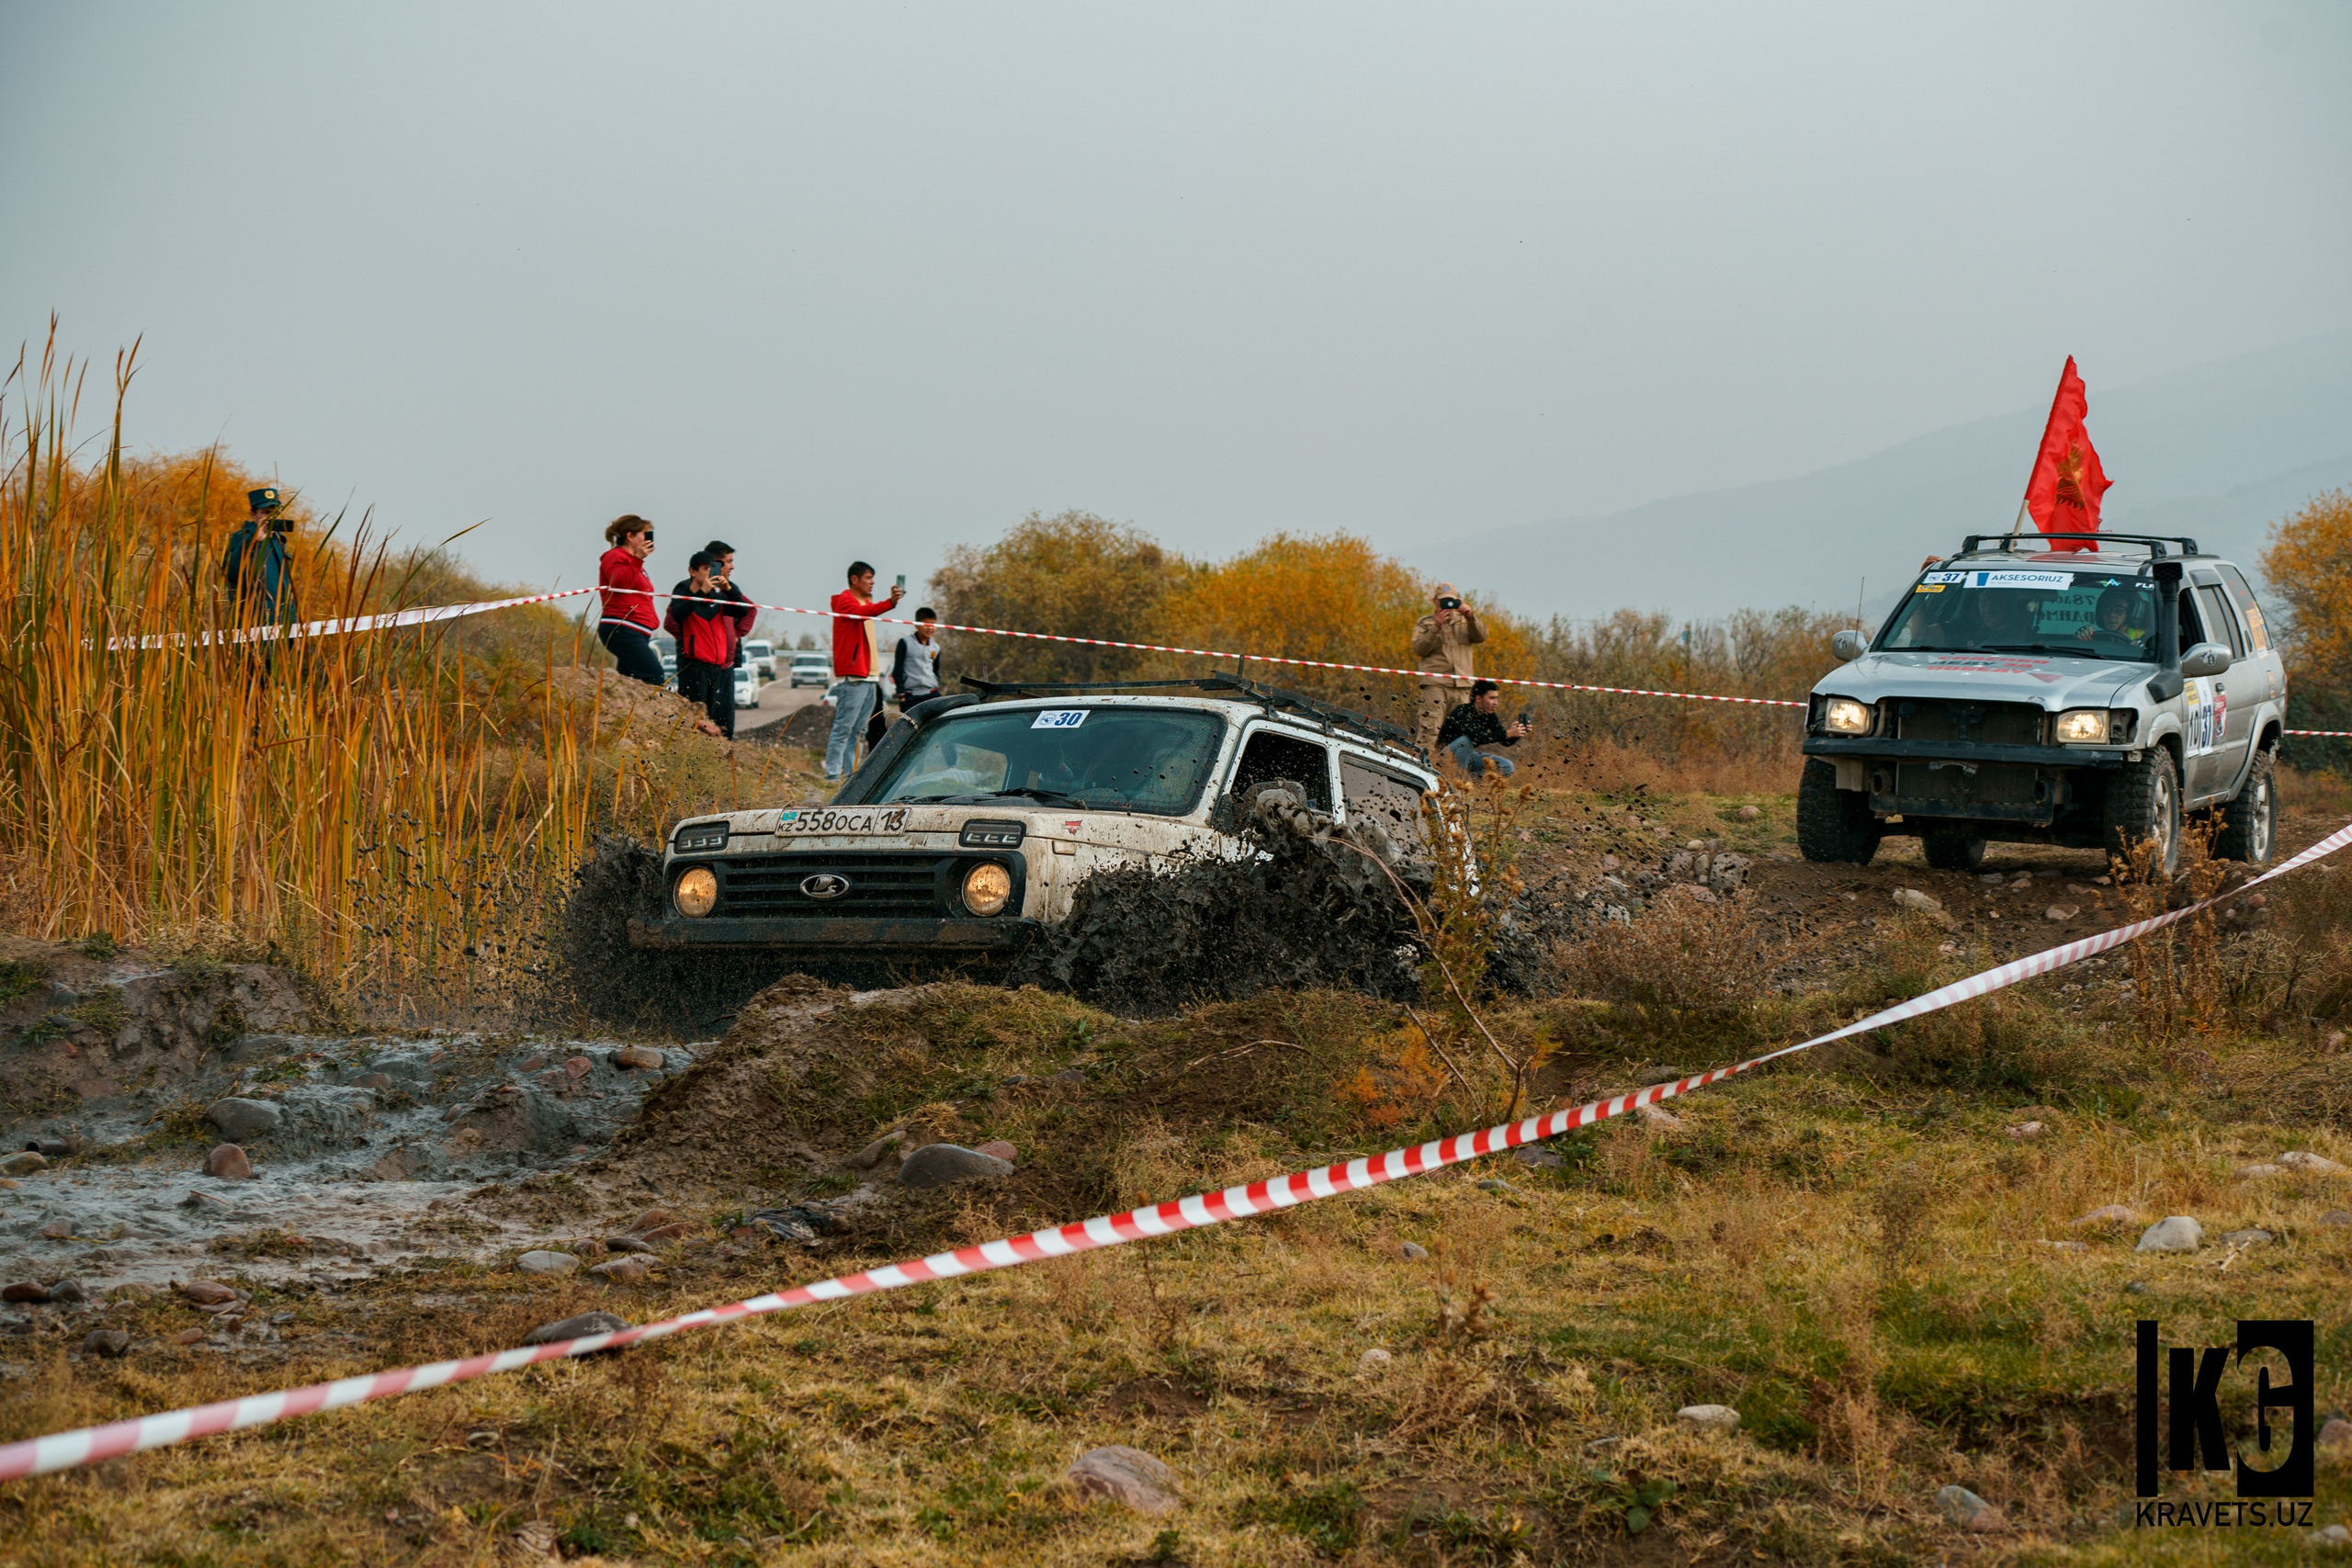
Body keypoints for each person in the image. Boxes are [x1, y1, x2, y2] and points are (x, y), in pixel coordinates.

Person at [825, 559, 905, 781]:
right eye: (868, 577)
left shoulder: (863, 601)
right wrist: (890, 602)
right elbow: (866, 611)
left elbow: (869, 608)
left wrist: (887, 601)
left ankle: (851, 775)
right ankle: (832, 774)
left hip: (870, 676)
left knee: (859, 731)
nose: (873, 582)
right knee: (844, 728)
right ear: (855, 579)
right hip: (854, 676)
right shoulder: (845, 601)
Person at [665, 552, 737, 739]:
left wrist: (729, 589)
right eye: (705, 569)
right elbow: (678, 614)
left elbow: (742, 610)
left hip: (716, 665)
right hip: (694, 663)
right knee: (693, 713)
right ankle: (686, 747)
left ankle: (705, 751)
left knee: (710, 715)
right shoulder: (683, 591)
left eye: (711, 569)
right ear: (692, 571)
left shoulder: (716, 595)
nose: (709, 573)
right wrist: (700, 593)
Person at [1411, 582, 1487, 754]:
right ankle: (1422, 772)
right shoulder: (1426, 623)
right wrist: (1435, 627)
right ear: (1435, 602)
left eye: (1451, 601)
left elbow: (1481, 637)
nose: (1448, 605)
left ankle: (1454, 775)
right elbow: (1419, 648)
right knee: (1429, 731)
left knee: (1461, 736)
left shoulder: (1465, 622)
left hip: (1462, 687)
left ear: (1458, 601)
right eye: (1444, 601)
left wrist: (1470, 616)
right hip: (1435, 685)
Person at [596, 515, 664, 686]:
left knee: (629, 682)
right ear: (630, 536)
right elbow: (620, 583)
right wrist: (638, 559)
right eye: (644, 534)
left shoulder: (634, 562)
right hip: (622, 627)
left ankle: (625, 712)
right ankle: (651, 712)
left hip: (636, 629)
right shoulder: (614, 556)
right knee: (653, 674)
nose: (647, 538)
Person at [223, 485, 300, 628]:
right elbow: (232, 573)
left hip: (285, 622)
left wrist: (294, 624)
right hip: (257, 624)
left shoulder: (278, 540)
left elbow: (286, 587)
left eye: (274, 512)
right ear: (253, 515)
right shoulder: (242, 539)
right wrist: (253, 543)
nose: (270, 517)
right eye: (265, 512)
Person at [1436, 680, 1529, 778]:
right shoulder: (1463, 711)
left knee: (1507, 766)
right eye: (1492, 698)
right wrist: (1507, 733)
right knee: (1466, 740)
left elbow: (1505, 741)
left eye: (1497, 698)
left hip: (1468, 756)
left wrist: (1517, 733)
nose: (1496, 703)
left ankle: (1469, 785)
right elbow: (1476, 737)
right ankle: (1457, 782)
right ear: (1479, 698)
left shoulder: (1489, 715)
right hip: (1445, 756)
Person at [702, 538, 757, 673]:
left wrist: (736, 634)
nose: (732, 567)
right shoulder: (693, 587)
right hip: (703, 661)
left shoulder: (730, 589)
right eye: (729, 562)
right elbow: (673, 620)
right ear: (716, 563)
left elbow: (749, 609)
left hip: (727, 662)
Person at [891, 606, 944, 716]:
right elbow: (898, 669)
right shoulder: (905, 643)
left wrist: (936, 684)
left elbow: (936, 670)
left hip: (931, 693)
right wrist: (901, 693)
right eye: (926, 623)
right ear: (916, 624)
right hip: (910, 695)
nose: (930, 628)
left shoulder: (936, 647)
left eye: (933, 624)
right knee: (911, 727)